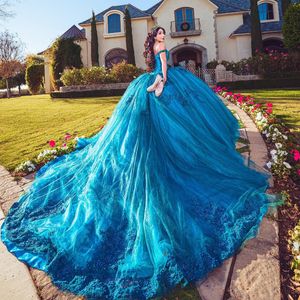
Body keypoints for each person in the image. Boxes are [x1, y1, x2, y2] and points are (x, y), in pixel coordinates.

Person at [1, 25, 284, 300]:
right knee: (174, 133)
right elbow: (161, 73)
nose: (162, 37)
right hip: (160, 87)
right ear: (155, 40)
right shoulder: (162, 52)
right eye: (159, 34)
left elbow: (159, 69)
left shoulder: (154, 50)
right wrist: (157, 88)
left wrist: (155, 84)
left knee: (156, 133)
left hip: (153, 85)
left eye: (162, 34)